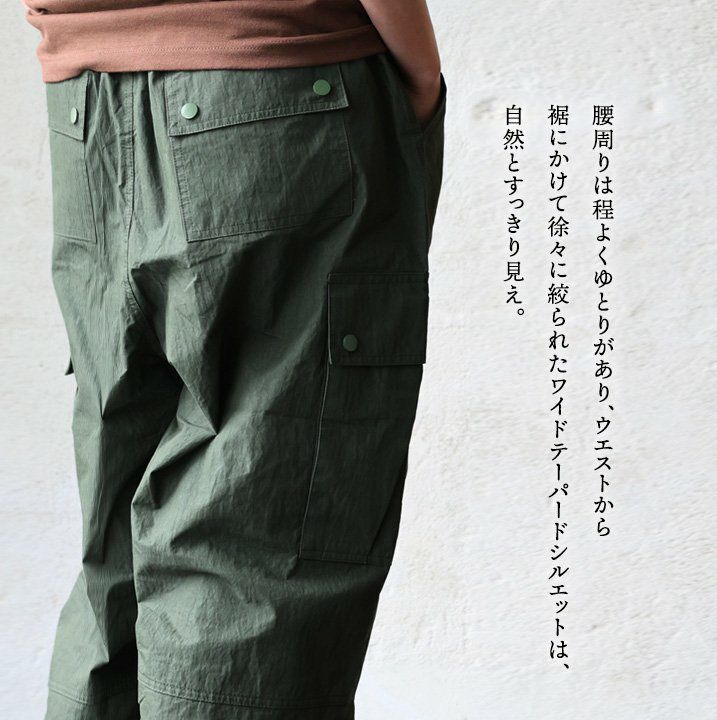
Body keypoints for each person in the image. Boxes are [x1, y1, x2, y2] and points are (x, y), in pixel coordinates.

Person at [24, 1, 446, 718]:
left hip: (86, 108)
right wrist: (421, 79)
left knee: (117, 552)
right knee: (258, 548)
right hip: (281, 93)